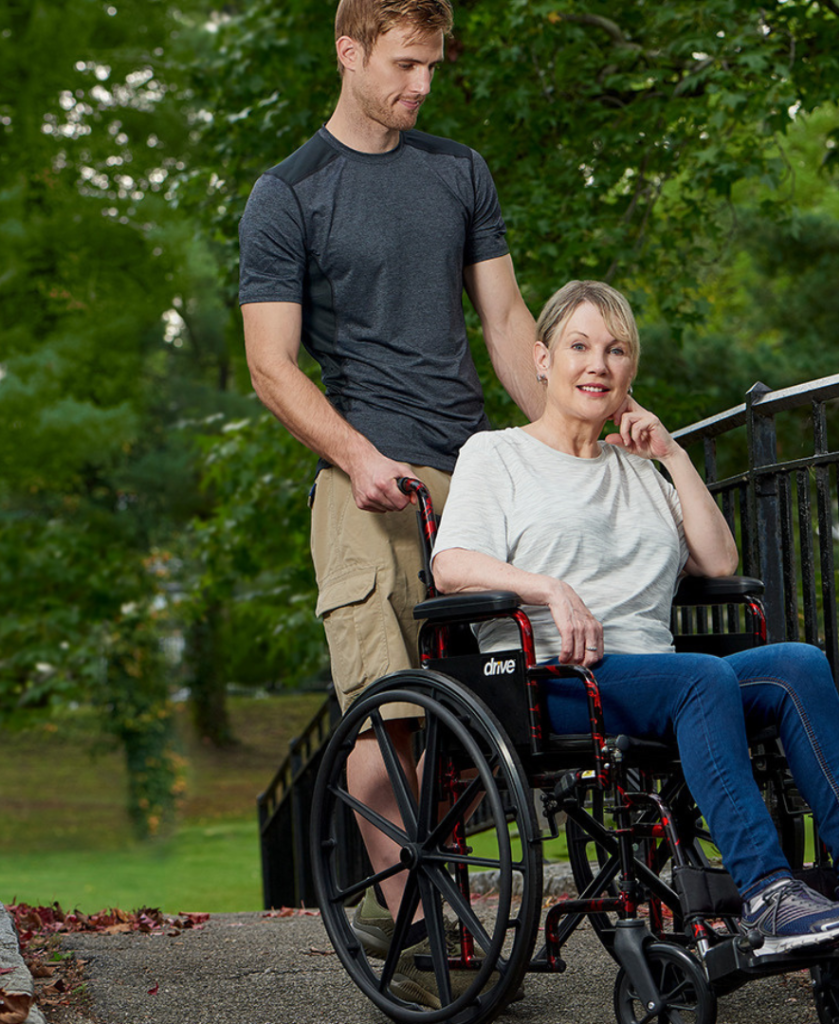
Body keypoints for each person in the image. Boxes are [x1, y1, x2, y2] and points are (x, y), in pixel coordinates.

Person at [431, 279, 839, 956]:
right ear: (542, 358)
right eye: (579, 346)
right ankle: (769, 896)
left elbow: (719, 561)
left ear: (631, 371)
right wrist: (546, 587)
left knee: (796, 666)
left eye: (616, 350)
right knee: (702, 679)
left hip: (660, 678)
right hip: (555, 679)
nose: (597, 364)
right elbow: (451, 564)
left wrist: (673, 455)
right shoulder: (497, 456)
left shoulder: (640, 470)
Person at [237, 0, 542, 998]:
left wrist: (575, 438)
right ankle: (402, 924)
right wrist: (359, 454)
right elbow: (272, 367)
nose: (421, 84)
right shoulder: (289, 194)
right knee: (387, 713)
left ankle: (431, 909)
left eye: (433, 66)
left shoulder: (458, 172)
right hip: (368, 487)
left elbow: (504, 325)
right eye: (405, 64)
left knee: (494, 709)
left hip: (479, 485)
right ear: (349, 49)